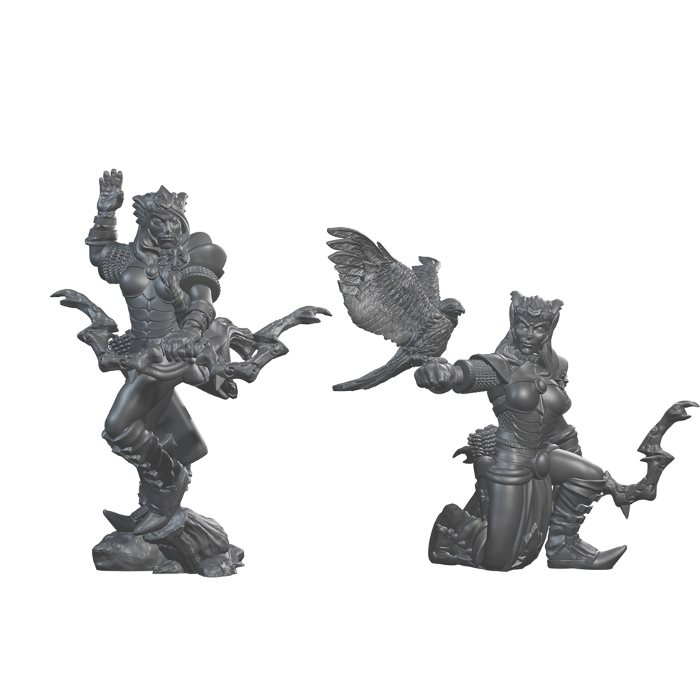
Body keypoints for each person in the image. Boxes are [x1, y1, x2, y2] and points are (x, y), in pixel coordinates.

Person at [415, 291, 662, 570]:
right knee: (500, 561)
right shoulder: (498, 366)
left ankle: (563, 547)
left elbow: (557, 423)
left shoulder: (556, 367)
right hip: (511, 460)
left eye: (539, 328)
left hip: (545, 453)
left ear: (549, 329)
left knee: (591, 475)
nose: (529, 335)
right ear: (513, 324)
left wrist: (576, 457)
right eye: (523, 326)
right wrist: (442, 374)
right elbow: (463, 375)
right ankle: (452, 524)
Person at [86, 169, 227, 536]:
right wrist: (106, 210)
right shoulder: (127, 259)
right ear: (146, 223)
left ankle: (169, 482)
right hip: (136, 352)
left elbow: (202, 302)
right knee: (154, 425)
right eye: (160, 222)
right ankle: (155, 502)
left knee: (119, 427)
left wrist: (189, 332)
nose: (168, 230)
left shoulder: (186, 260)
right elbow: (100, 253)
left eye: (174, 223)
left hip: (170, 355)